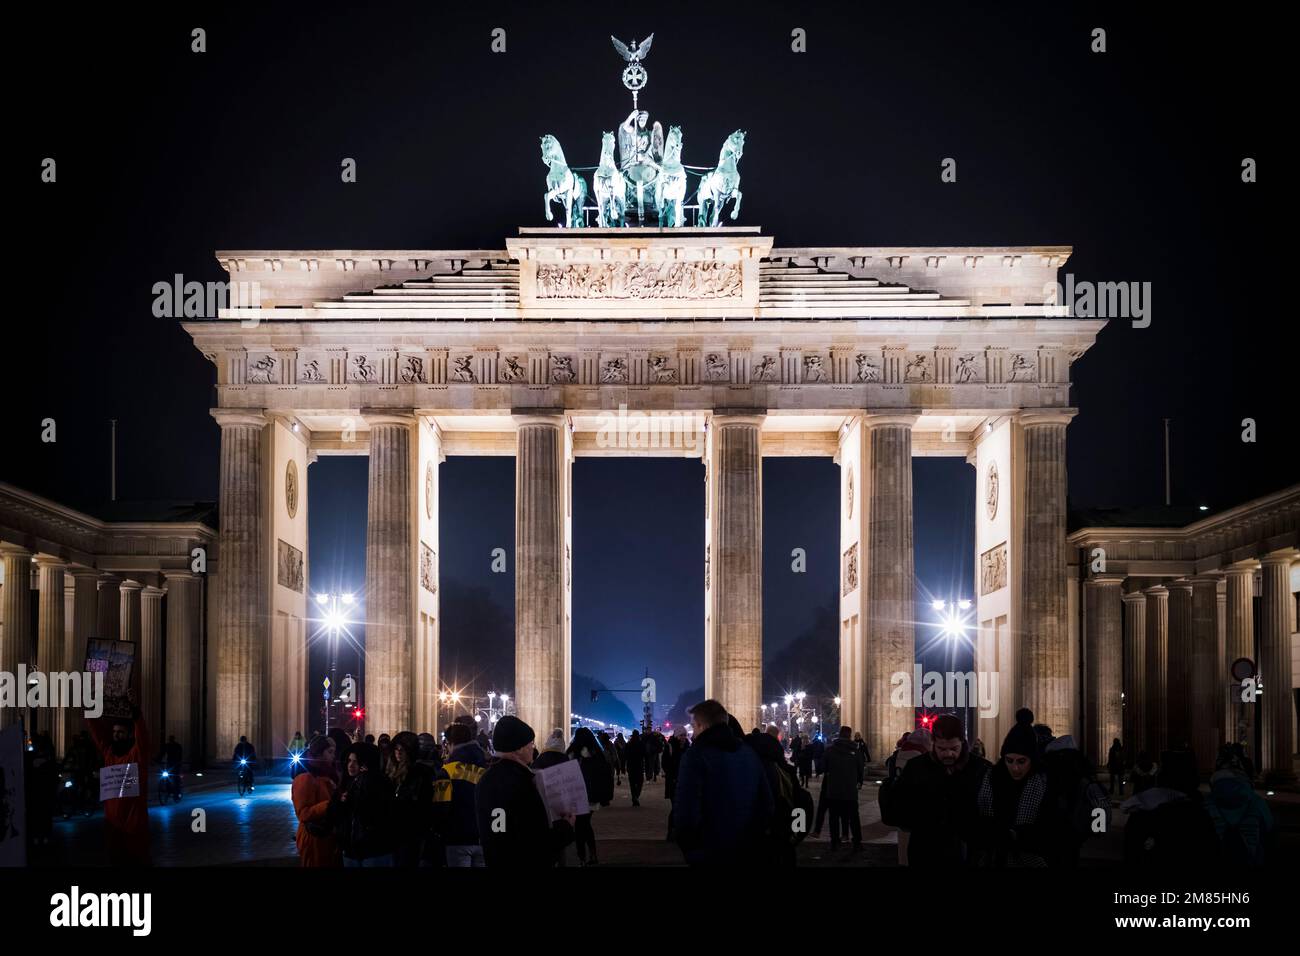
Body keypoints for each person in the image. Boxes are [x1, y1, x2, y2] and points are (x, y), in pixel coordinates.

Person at [673, 699, 774, 866]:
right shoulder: (748, 753)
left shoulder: (695, 756)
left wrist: (691, 850)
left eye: (694, 725)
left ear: (702, 726)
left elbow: (686, 811)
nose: (692, 732)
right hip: (747, 849)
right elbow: (767, 803)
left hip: (709, 852)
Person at [475, 716, 575, 867]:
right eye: (531, 744)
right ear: (519, 748)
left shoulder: (486, 779)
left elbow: (500, 830)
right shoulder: (521, 782)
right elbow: (534, 838)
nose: (533, 748)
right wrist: (566, 827)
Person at [893, 714, 988, 868]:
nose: (948, 754)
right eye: (942, 748)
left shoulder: (982, 770)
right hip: (926, 852)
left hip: (970, 853)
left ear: (963, 743)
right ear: (933, 744)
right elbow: (901, 808)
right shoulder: (915, 768)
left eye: (954, 748)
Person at [974, 712, 1048, 866]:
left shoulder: (1043, 782)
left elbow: (1052, 828)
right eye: (1009, 760)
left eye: (1021, 761)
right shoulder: (991, 778)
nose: (1015, 768)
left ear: (1032, 759)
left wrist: (1016, 836)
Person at [87, 688, 151, 866]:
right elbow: (97, 732)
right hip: (113, 827)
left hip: (134, 829)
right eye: (114, 732)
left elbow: (143, 738)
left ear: (129, 734)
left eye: (120, 732)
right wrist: (89, 708)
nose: (116, 735)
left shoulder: (136, 756)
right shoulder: (109, 754)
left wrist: (136, 713)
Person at [433, 723, 488, 867]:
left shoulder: (446, 772)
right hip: (482, 839)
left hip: (456, 840)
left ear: (450, 744)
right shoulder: (484, 771)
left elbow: (441, 808)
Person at [332, 741, 394, 866]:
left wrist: (367, 780)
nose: (351, 765)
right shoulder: (347, 783)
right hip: (350, 850)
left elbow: (376, 813)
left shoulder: (379, 782)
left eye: (356, 761)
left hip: (372, 850)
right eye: (349, 761)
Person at [567, 727, 615, 865]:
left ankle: (582, 856)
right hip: (592, 796)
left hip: (576, 795)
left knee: (580, 826)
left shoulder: (573, 753)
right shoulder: (598, 753)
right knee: (585, 824)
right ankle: (592, 854)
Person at [389, 730, 436, 867]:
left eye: (402, 749)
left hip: (412, 833)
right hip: (394, 832)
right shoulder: (391, 772)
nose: (398, 752)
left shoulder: (420, 773)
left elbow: (424, 805)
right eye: (396, 749)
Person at [292, 735, 340, 867]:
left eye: (334, 752)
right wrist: (330, 804)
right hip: (313, 838)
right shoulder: (305, 778)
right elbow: (303, 813)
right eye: (330, 752)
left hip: (326, 836)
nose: (333, 756)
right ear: (318, 753)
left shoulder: (327, 774)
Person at [816, 726, 863, 851]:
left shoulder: (830, 750)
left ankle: (834, 841)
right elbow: (860, 769)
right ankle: (857, 842)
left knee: (834, 817)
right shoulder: (856, 751)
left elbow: (822, 767)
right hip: (850, 790)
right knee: (853, 817)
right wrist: (858, 782)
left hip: (834, 789)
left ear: (839, 734)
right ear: (850, 735)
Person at [663, 729, 689, 842]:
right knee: (675, 807)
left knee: (680, 807)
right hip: (673, 781)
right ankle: (671, 832)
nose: (683, 737)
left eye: (685, 735)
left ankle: (676, 832)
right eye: (681, 735)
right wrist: (672, 775)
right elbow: (665, 763)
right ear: (677, 736)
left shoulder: (688, 747)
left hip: (684, 781)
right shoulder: (670, 746)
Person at [624, 730, 647, 806]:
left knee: (632, 784)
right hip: (639, 766)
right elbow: (645, 754)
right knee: (640, 783)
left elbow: (625, 756)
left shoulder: (628, 744)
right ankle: (636, 796)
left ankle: (634, 797)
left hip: (631, 766)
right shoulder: (641, 744)